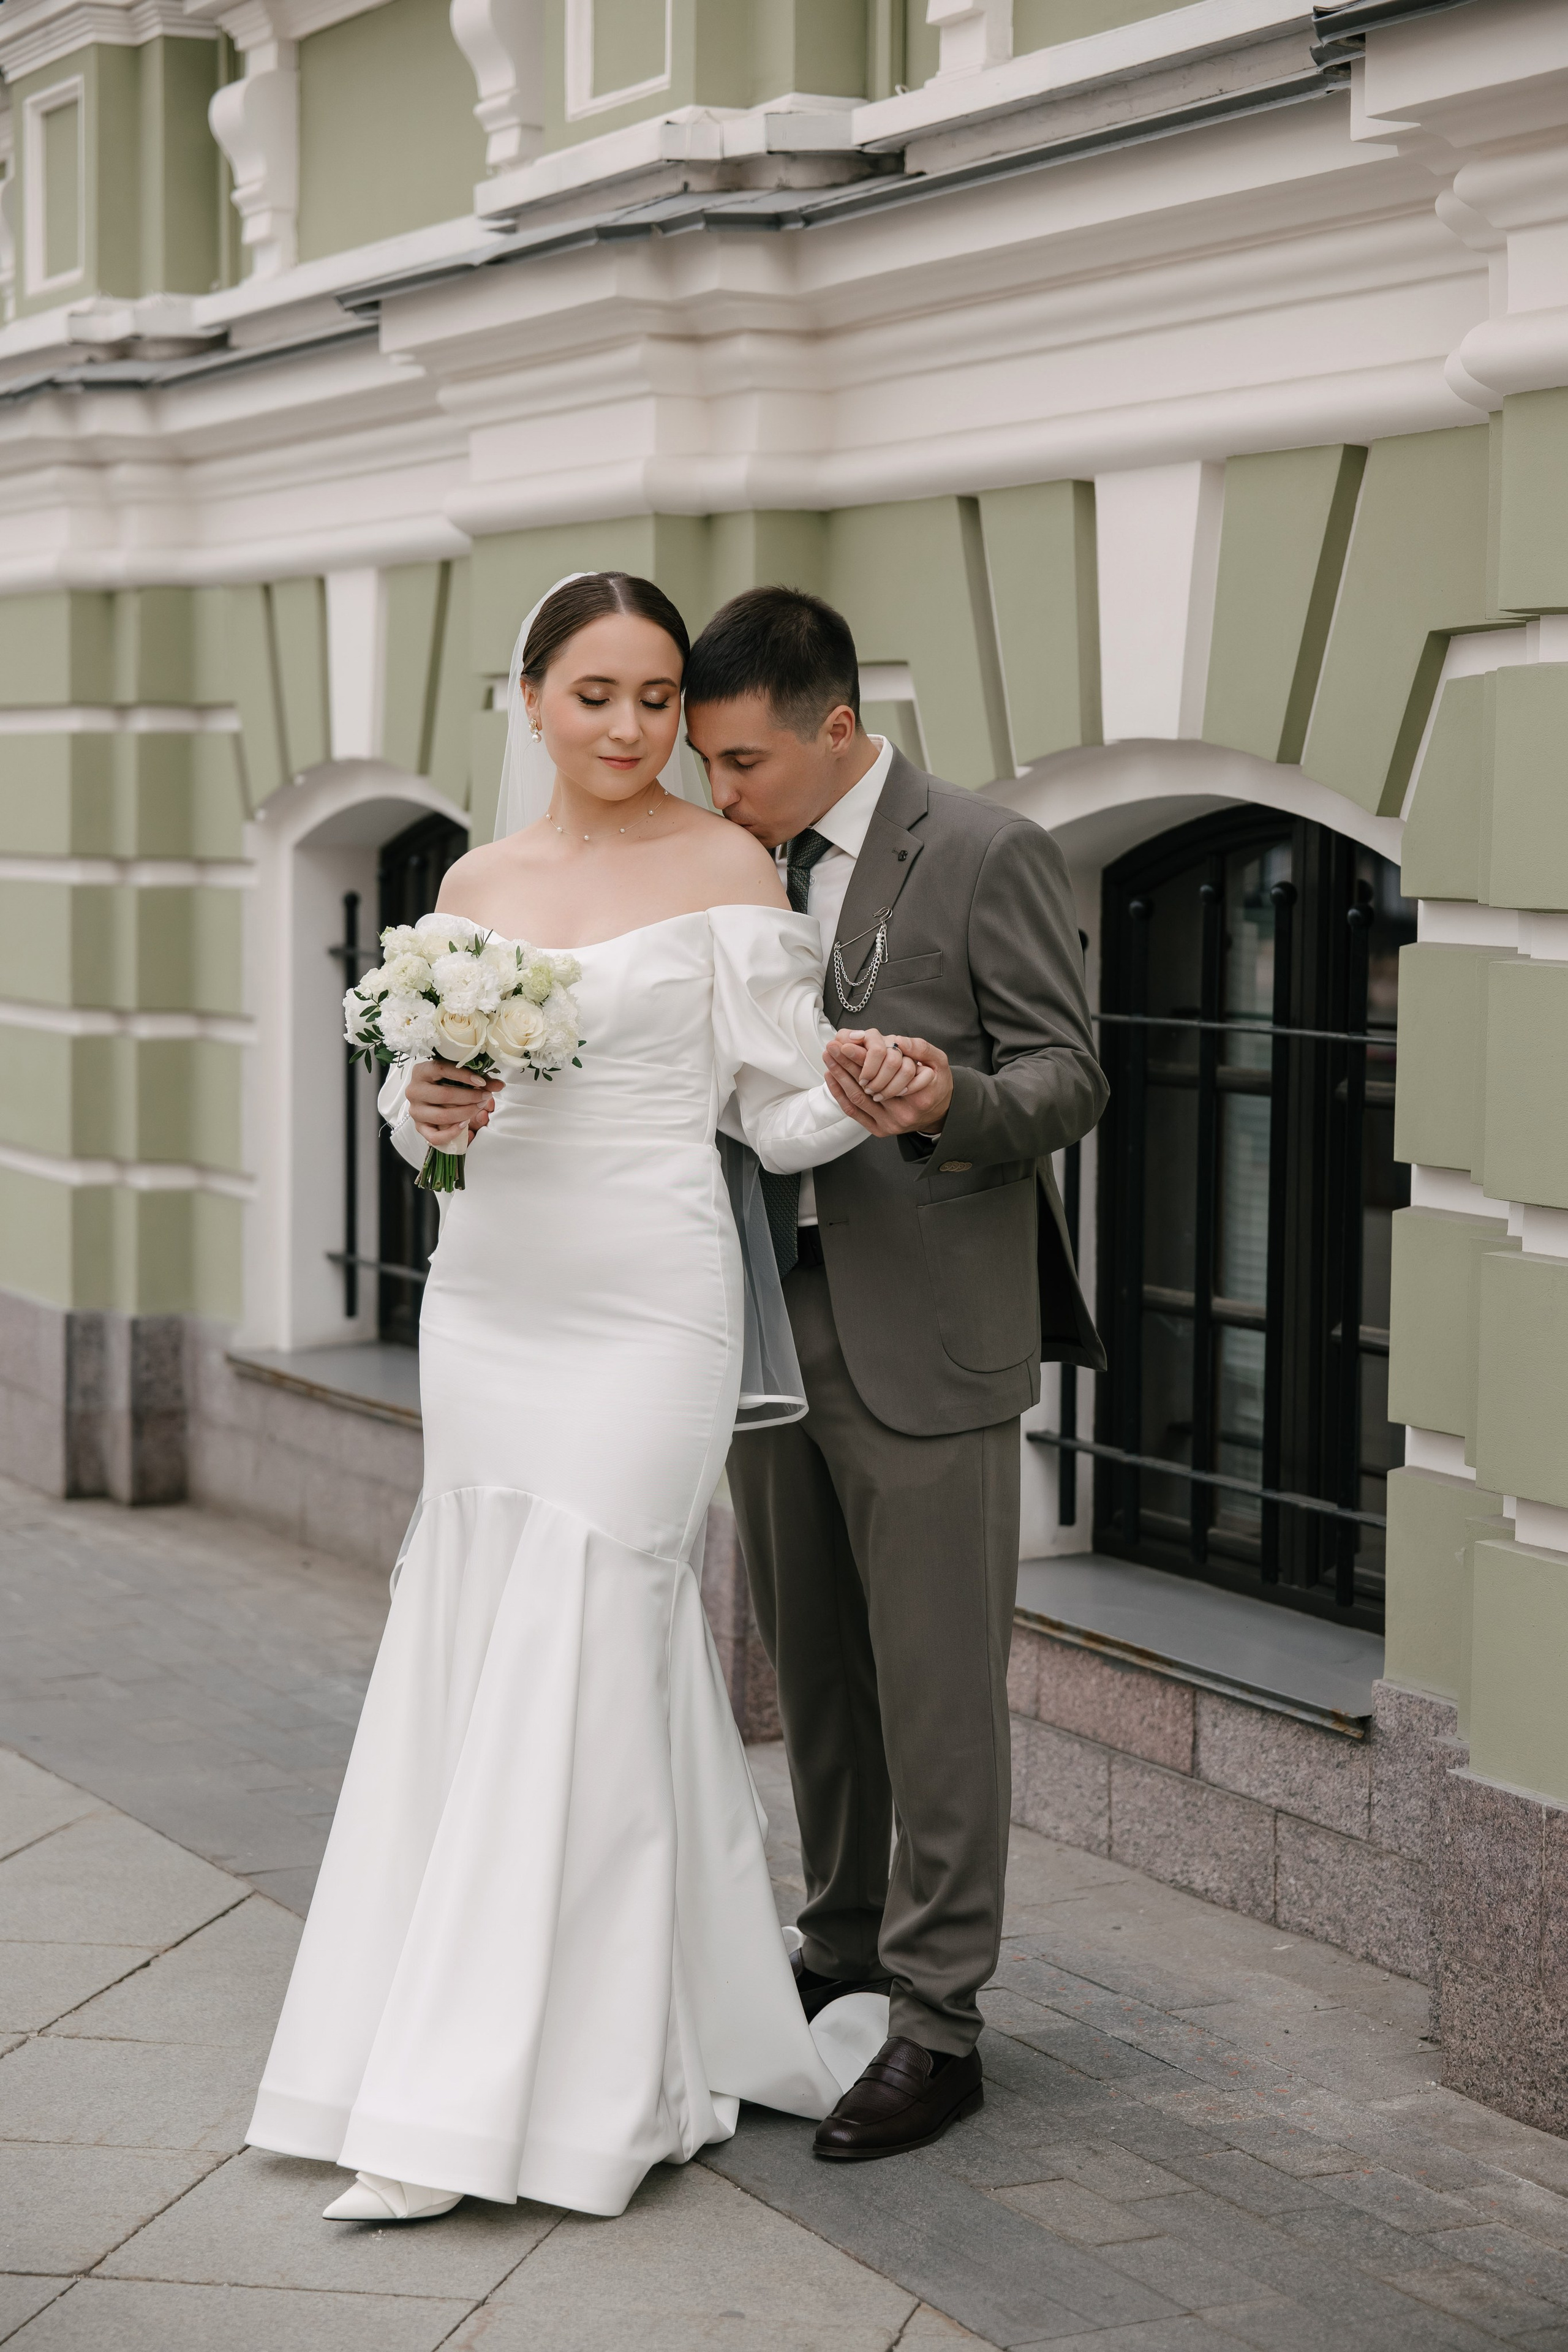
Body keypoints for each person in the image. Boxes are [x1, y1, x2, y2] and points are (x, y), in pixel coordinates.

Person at [245, 573, 941, 2224]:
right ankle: (493, 2037)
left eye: (653, 699)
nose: (631, 729)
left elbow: (774, 1117)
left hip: (651, 1302)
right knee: (484, 1626)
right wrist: (428, 1103)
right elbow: (431, 1131)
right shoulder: (476, 880)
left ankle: (542, 2090)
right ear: (531, 700)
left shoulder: (726, 863)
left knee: (600, 1619)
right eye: (597, 696)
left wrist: (872, 1095)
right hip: (494, 1303)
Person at [684, 587, 1107, 2162]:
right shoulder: (727, 864)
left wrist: (942, 1098)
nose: (719, 795)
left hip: (927, 1330)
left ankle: (939, 2023)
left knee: (936, 1691)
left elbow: (1070, 1075)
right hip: (767, 1326)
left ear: (836, 729)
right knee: (816, 1672)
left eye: (742, 764)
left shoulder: (983, 849)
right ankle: (842, 1938)